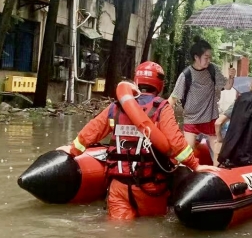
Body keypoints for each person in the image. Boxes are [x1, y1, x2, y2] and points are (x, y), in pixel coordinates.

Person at [66, 61, 210, 220]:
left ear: (137, 81)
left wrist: (72, 151)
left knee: (117, 232)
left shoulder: (116, 107)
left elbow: (89, 133)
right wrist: (195, 165)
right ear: (159, 84)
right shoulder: (161, 107)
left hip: (118, 188)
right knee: (152, 229)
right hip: (150, 188)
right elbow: (176, 143)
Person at [168, 39, 234, 159]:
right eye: (206, 57)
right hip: (191, 119)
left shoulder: (212, 70)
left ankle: (218, 175)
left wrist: (231, 76)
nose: (209, 60)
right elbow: (173, 98)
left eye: (210, 57)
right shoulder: (186, 75)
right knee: (188, 155)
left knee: (218, 154)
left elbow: (228, 86)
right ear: (196, 57)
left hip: (210, 118)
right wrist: (162, 117)